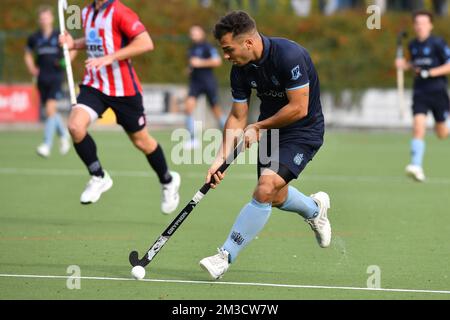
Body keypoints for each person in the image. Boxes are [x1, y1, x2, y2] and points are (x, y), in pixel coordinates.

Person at [199, 11, 332, 280]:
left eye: (228, 49)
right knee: (275, 196)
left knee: (265, 188)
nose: (225, 56)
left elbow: (299, 108)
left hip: (303, 130)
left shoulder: (288, 55)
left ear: (248, 43)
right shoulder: (239, 70)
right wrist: (219, 159)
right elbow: (237, 116)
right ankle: (315, 209)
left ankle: (224, 256)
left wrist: (258, 127)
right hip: (272, 131)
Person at [59, 0, 180, 213]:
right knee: (75, 127)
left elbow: (145, 42)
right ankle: (98, 176)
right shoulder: (87, 12)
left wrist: (109, 58)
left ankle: (168, 181)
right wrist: (73, 44)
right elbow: (95, 39)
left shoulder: (120, 12)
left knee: (142, 142)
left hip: (124, 90)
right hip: (94, 85)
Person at [396, 10, 450, 182]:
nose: (420, 26)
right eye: (417, 23)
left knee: (442, 133)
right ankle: (416, 165)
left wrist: (430, 72)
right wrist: (404, 65)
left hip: (438, 92)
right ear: (414, 26)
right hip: (420, 93)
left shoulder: (438, 43)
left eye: (424, 23)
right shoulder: (412, 45)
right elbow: (414, 66)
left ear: (430, 25)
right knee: (418, 127)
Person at [24, 5, 72, 158]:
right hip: (41, 78)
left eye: (47, 17)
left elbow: (74, 47)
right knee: (50, 112)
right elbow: (27, 54)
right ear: (39, 20)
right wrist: (32, 67)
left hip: (56, 77)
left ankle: (47, 144)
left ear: (52, 18)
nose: (44, 20)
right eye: (42, 18)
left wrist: (66, 62)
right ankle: (64, 135)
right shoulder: (34, 38)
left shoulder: (60, 33)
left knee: (50, 110)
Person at [185, 25, 226, 150]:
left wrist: (200, 63)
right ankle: (193, 139)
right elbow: (193, 64)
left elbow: (217, 61)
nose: (193, 35)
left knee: (216, 110)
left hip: (208, 82)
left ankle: (229, 136)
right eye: (191, 33)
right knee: (188, 108)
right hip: (195, 83)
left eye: (195, 33)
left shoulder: (208, 47)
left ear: (202, 33)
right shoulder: (191, 49)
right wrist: (190, 69)